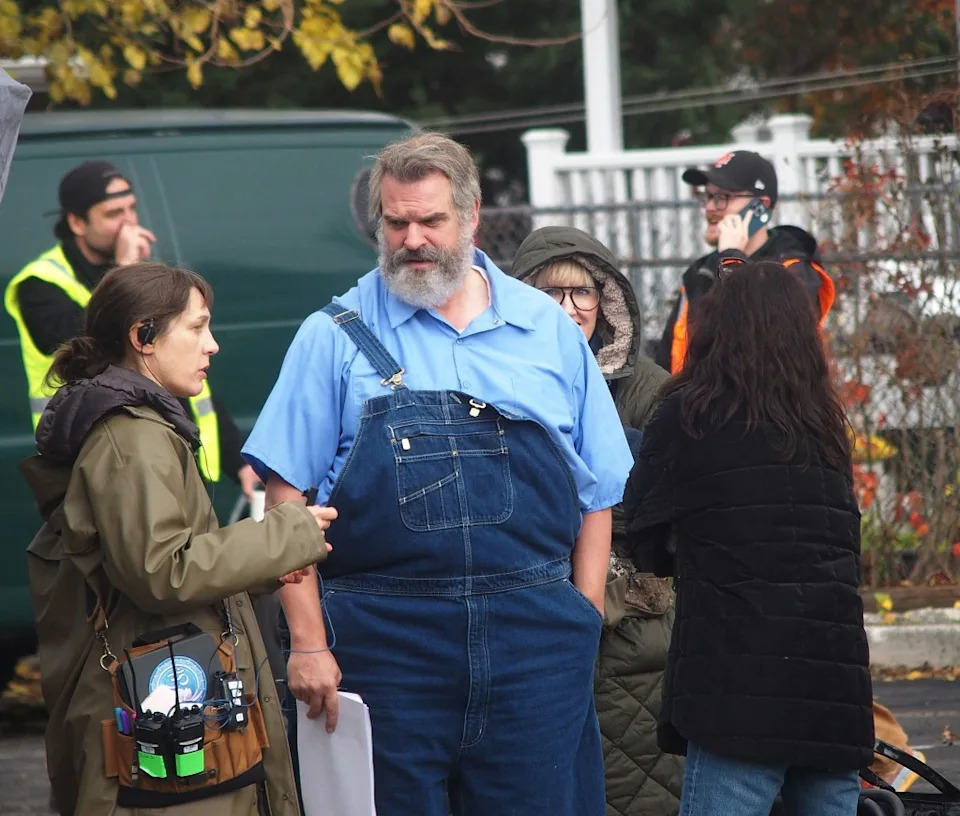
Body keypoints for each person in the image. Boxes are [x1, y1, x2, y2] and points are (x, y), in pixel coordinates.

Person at [242, 132, 634, 816]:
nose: (413, 239)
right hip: (383, 644)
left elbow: (596, 492)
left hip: (536, 642)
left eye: (431, 221)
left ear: (472, 215)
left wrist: (584, 614)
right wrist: (306, 643)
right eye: (396, 223)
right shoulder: (332, 335)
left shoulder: (547, 331)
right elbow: (286, 502)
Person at [21, 261, 334, 816]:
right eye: (197, 327)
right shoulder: (132, 438)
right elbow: (163, 573)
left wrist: (262, 566)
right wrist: (288, 532)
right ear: (143, 337)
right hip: (162, 718)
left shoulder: (140, 426)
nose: (212, 345)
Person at [623, 260, 874, 815]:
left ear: (718, 329)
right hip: (833, 691)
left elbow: (641, 532)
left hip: (739, 689)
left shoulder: (690, 415)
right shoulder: (826, 428)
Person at [512, 225, 682, 815]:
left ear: (604, 299)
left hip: (633, 627)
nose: (568, 309)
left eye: (581, 292)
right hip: (532, 610)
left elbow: (671, 508)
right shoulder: (500, 381)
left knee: (639, 789)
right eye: (549, 294)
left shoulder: (650, 391)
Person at [4, 160, 259, 498]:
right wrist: (124, 271)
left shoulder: (141, 275)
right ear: (77, 222)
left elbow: (189, 377)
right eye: (113, 214)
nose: (129, 223)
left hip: (173, 454)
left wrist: (237, 460)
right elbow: (92, 345)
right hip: (99, 463)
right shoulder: (40, 283)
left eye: (132, 209)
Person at [655, 150, 835, 374]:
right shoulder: (701, 273)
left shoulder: (792, 271)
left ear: (760, 206)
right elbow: (669, 358)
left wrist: (732, 258)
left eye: (723, 198)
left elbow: (761, 349)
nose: (710, 208)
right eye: (708, 197)